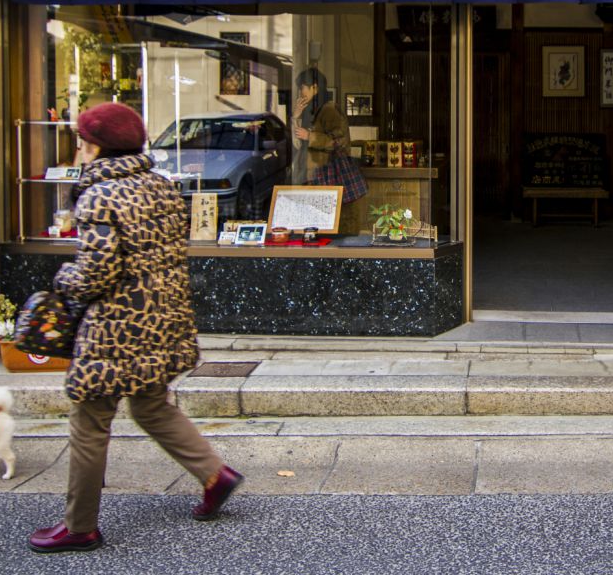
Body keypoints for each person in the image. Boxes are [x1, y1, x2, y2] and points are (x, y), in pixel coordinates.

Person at [29, 102, 242, 554]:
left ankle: (80, 525)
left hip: (115, 326)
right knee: (151, 405)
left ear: (96, 146)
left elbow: (96, 273)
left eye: (83, 141)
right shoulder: (161, 187)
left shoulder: (99, 195)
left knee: (89, 418)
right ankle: (213, 474)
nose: (80, 149)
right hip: (162, 317)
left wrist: (61, 279)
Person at [292, 67, 368, 206]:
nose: (300, 92)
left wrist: (310, 136)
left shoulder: (329, 109)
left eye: (302, 87)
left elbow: (338, 141)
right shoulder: (311, 111)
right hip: (312, 176)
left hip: (325, 176)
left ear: (314, 87)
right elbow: (297, 143)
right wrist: (296, 117)